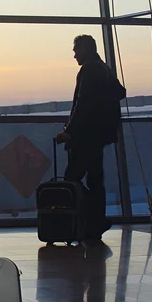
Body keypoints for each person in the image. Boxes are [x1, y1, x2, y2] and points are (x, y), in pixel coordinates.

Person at [55, 34, 126, 245]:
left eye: (76, 49)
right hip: (99, 135)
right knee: (95, 179)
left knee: (72, 178)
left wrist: (70, 130)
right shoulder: (103, 69)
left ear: (86, 49)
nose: (74, 54)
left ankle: (88, 218)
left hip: (86, 135)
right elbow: (119, 92)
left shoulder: (89, 70)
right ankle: (96, 221)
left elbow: (83, 104)